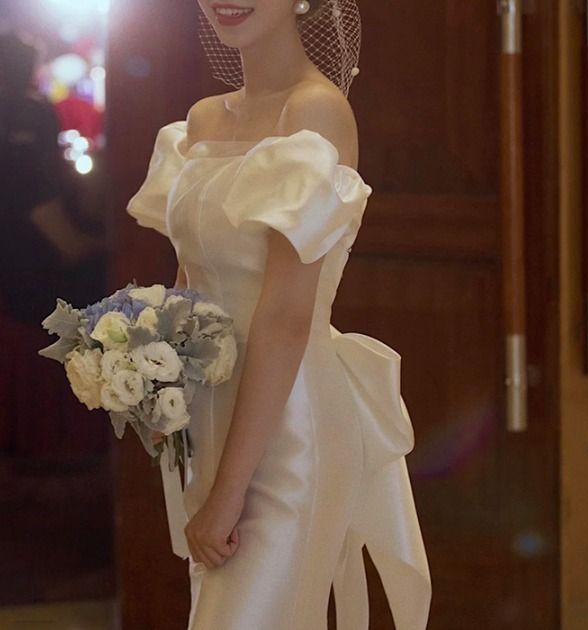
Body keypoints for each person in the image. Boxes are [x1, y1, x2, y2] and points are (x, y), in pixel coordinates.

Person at [126, 1, 431, 628]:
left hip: (288, 427)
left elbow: (286, 317)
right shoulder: (203, 119)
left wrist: (229, 492)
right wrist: (156, 387)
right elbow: (188, 282)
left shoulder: (315, 111)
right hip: (210, 423)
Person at [0, 30, 107, 457]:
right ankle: (75, 441)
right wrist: (105, 244)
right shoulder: (28, 120)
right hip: (29, 279)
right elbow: (66, 243)